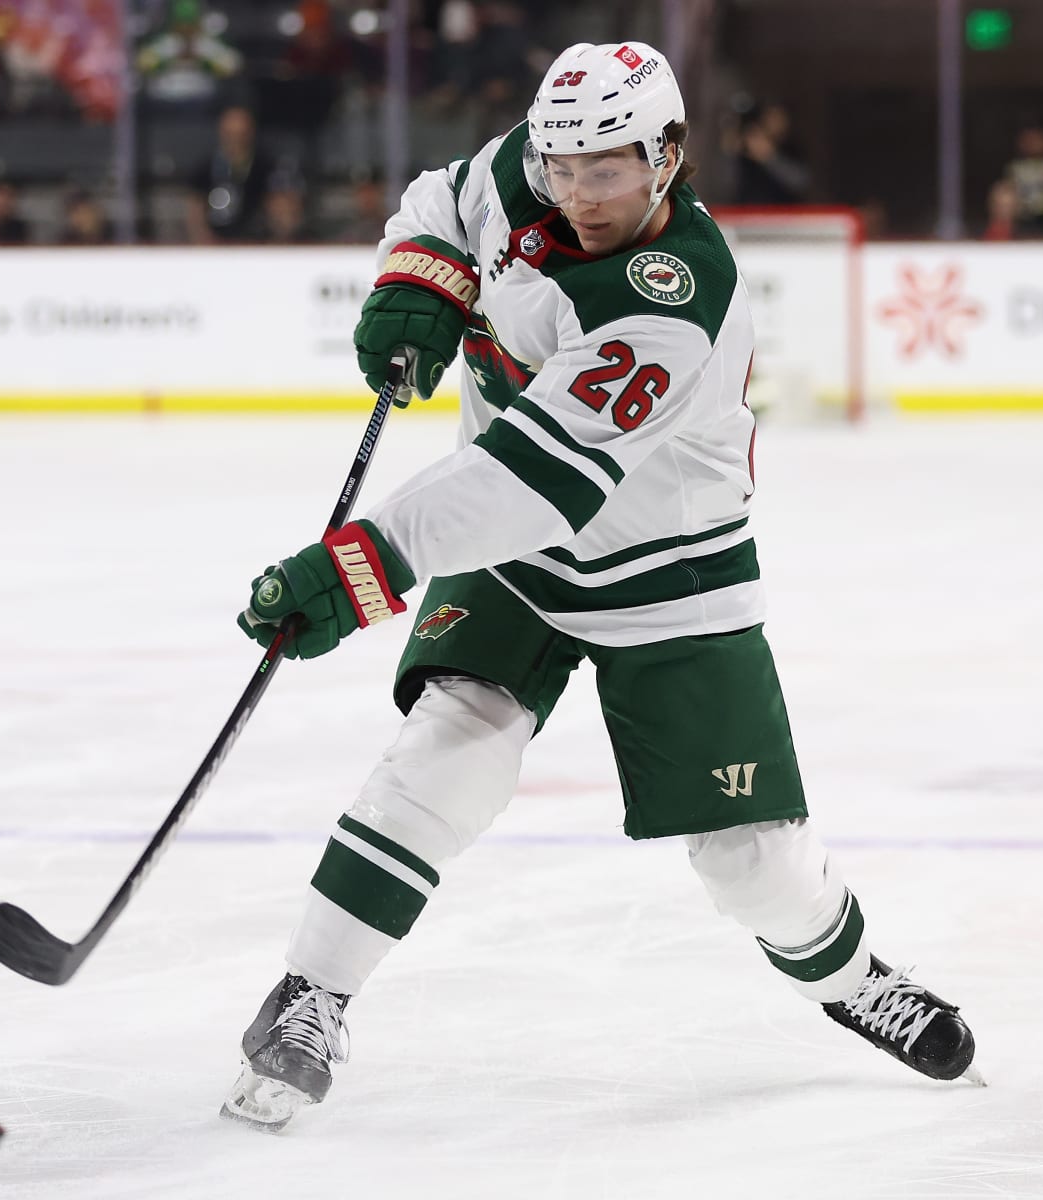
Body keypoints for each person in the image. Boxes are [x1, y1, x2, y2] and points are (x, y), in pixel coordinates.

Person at [221, 40, 981, 1133]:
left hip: (669, 572)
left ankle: (854, 980)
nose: (577, 194)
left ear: (667, 155)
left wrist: (364, 565)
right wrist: (416, 275)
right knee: (445, 752)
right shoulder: (528, 170)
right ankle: (310, 996)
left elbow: (532, 483)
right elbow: (443, 199)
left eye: (608, 170)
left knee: (754, 868)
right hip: (517, 565)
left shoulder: (674, 300)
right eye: (562, 166)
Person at [185, 104, 276, 244]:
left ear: (250, 133)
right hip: (214, 245)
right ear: (221, 132)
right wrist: (204, 240)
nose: (235, 140)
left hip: (255, 244)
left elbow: (276, 209)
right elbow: (194, 210)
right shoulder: (204, 169)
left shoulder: (264, 168)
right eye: (230, 134)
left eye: (241, 134)